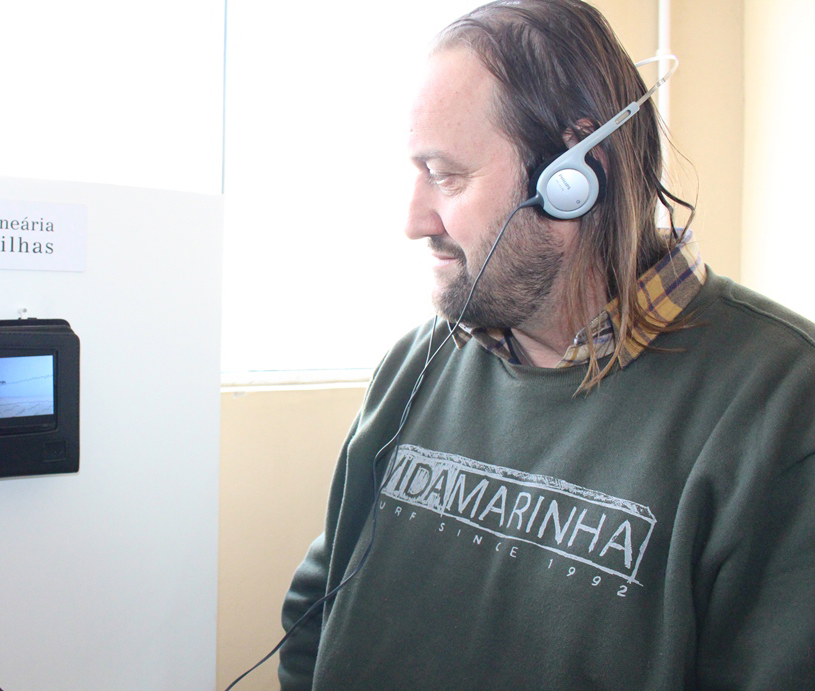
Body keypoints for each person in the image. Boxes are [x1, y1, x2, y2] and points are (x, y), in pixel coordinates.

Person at [278, 1, 815, 688]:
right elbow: (313, 619)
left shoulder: (783, 405)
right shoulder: (417, 363)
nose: (413, 221)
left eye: (445, 175)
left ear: (573, 177)